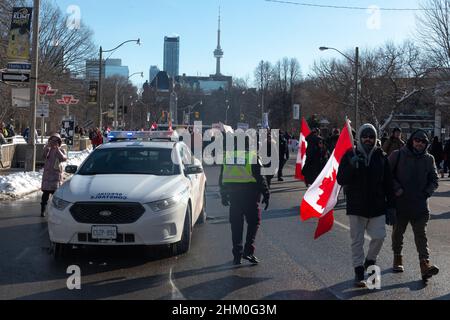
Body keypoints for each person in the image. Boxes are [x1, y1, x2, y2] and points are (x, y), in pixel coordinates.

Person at [337, 123, 395, 287]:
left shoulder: (381, 156)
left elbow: (388, 184)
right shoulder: (350, 154)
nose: (368, 139)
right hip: (356, 206)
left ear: (375, 137)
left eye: (371, 136)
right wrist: (351, 166)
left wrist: (391, 206)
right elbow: (341, 179)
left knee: (379, 237)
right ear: (359, 137)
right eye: (365, 136)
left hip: (377, 206)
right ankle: (359, 273)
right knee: (357, 241)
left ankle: (369, 263)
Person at [388, 129, 439, 281]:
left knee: (421, 236)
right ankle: (398, 257)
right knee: (398, 234)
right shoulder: (398, 155)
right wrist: (396, 188)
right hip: (401, 204)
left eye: (423, 141)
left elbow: (434, 180)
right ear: (412, 140)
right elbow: (387, 175)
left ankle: (425, 265)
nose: (420, 143)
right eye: (417, 140)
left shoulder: (429, 159)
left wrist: (426, 193)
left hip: (420, 206)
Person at [220, 136, 270, 265]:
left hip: (234, 197)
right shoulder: (252, 156)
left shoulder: (228, 157)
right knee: (253, 223)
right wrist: (266, 193)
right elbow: (260, 177)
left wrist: (223, 195)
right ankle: (248, 251)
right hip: (250, 197)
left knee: (236, 226)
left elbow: (222, 178)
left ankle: (237, 255)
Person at [40, 133, 68, 217]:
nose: (54, 143)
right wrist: (48, 146)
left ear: (59, 142)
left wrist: (57, 149)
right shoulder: (48, 149)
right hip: (47, 176)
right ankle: (43, 210)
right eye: (52, 141)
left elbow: (63, 158)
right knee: (45, 195)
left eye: (56, 141)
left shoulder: (61, 150)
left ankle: (56, 211)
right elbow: (43, 156)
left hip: (55, 176)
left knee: (56, 196)